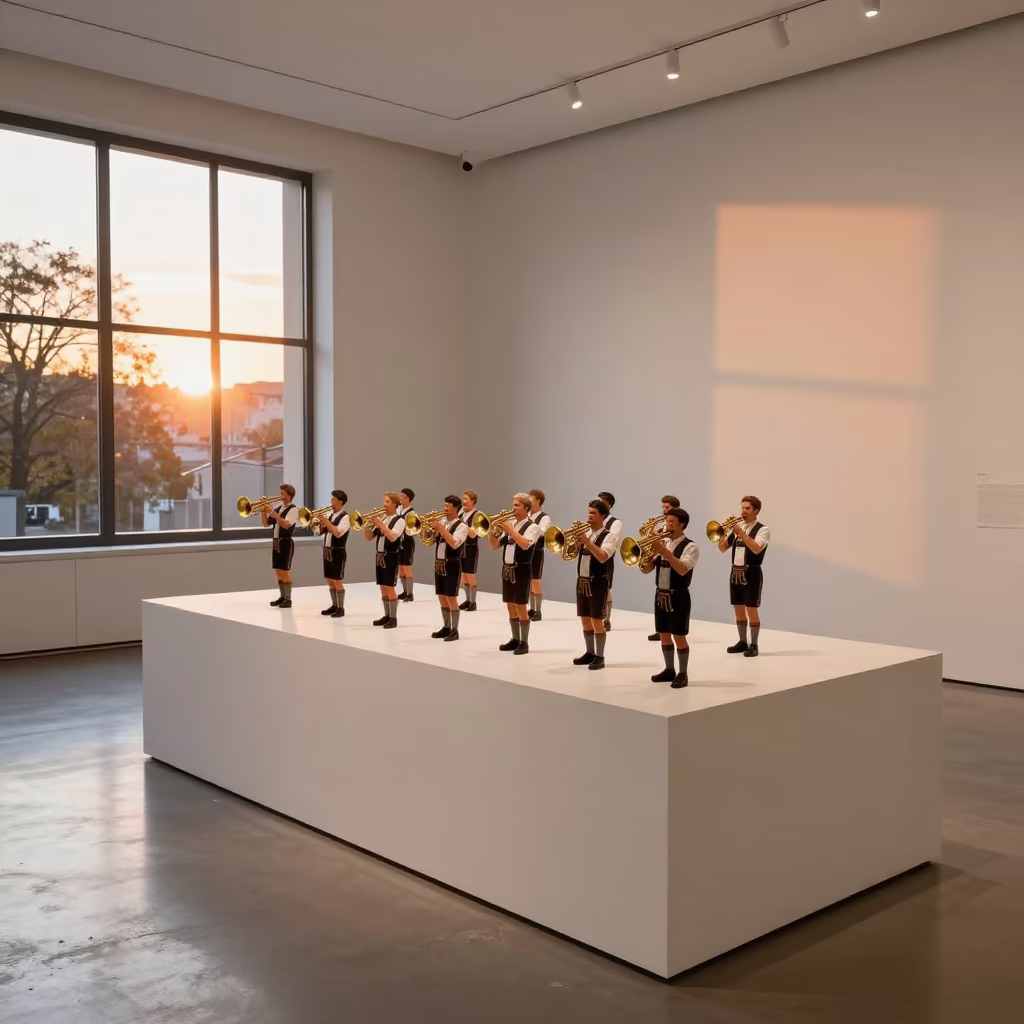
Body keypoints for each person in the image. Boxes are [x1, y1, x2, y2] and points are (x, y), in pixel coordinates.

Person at [641, 507, 698, 688]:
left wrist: (664, 552)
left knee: (678, 635)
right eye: (666, 521)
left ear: (682, 524)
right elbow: (647, 570)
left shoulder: (691, 546)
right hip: (661, 594)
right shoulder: (663, 543)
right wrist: (645, 558)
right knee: (664, 634)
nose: (667, 525)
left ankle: (683, 673)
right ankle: (669, 669)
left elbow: (682, 569)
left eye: (671, 522)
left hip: (678, 595)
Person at [489, 493, 542, 655]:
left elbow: (525, 544)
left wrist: (511, 531)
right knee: (510, 605)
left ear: (527, 508)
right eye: (513, 505)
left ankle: (524, 642)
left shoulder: (532, 527)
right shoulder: (511, 524)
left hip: (521, 569)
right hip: (507, 569)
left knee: (520, 605)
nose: (513, 508)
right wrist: (492, 531)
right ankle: (515, 638)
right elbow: (495, 546)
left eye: (517, 505)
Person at [718, 495, 770, 657]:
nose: (743, 511)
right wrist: (721, 534)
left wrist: (742, 534)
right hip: (735, 571)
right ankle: (742, 641)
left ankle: (754, 644)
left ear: (756, 511)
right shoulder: (738, 528)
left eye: (747, 508)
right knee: (738, 608)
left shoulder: (762, 530)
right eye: (742, 508)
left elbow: (756, 548)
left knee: (751, 608)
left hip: (751, 572)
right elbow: (722, 548)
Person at [572, 499, 620, 671]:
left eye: (593, 513)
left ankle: (600, 656)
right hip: (582, 580)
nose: (589, 516)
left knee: (596, 620)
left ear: (603, 516)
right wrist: (576, 544)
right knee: (585, 619)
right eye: (589, 512)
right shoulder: (587, 533)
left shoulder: (609, 536)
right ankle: (590, 652)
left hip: (598, 581)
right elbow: (571, 554)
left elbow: (602, 556)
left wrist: (587, 543)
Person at [430, 495, 470, 642]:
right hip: (439, 563)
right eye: (444, 505)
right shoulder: (442, 522)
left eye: (448, 507)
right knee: (441, 596)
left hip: (452, 563)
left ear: (456, 509)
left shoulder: (462, 526)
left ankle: (454, 630)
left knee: (451, 597)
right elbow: (430, 540)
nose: (445, 509)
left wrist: (440, 528)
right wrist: (432, 531)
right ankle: (446, 626)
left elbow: (454, 543)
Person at [364, 491, 406, 628]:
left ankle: (393, 618)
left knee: (390, 586)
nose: (384, 504)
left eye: (387, 502)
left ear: (394, 504)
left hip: (391, 556)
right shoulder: (383, 519)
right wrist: (366, 525)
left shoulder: (399, 520)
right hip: (380, 556)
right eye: (384, 501)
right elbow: (369, 538)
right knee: (382, 587)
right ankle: (386, 615)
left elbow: (392, 536)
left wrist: (380, 524)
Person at [649, 494, 681, 641]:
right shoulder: (663, 525)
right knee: (660, 590)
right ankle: (661, 629)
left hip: (672, 559)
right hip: (660, 559)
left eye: (667, 507)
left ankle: (671, 628)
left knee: (670, 593)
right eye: (663, 507)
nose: (664, 510)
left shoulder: (677, 524)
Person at [263, 484, 299, 608]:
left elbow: (285, 524)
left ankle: (288, 599)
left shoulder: (293, 509)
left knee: (285, 571)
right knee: (278, 570)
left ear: (289, 496)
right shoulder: (279, 508)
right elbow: (266, 524)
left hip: (285, 542)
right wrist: (264, 511)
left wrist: (272, 512)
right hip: (276, 541)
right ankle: (282, 597)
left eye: (283, 494)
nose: (280, 496)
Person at [317, 489, 350, 618]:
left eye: (333, 499)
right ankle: (334, 605)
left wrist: (326, 521)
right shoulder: (331, 515)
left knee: (336, 579)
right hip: (327, 550)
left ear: (340, 501)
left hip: (338, 551)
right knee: (330, 580)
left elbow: (337, 532)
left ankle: (340, 608)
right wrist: (319, 523)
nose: (331, 501)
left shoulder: (345, 517)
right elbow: (322, 532)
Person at [597, 491, 622, 629]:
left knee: (605, 587)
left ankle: (607, 618)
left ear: (609, 505)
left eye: (603, 502)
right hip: (593, 556)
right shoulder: (594, 519)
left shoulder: (615, 522)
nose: (600, 504)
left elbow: (613, 538)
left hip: (606, 556)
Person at [527, 488, 551, 621]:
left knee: (535, 579)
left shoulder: (544, 517)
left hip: (537, 550)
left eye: (531, 498)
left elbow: (541, 532)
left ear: (538, 501)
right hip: (526, 549)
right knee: (529, 580)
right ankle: (531, 608)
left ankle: (538, 610)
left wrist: (528, 527)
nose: (529, 500)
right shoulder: (528, 515)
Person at [458, 489, 481, 611]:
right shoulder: (462, 513)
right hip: (461, 547)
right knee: (464, 575)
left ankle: (473, 601)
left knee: (470, 574)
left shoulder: (477, 515)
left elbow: (473, 534)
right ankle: (467, 599)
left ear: (473, 501)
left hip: (471, 547)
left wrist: (461, 525)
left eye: (466, 499)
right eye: (463, 499)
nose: (463, 501)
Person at [396, 487, 417, 602]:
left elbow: (412, 528)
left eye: (404, 497)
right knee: (400, 568)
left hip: (407, 541)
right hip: (398, 541)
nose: (401, 498)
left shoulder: (412, 513)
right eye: (401, 496)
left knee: (407, 567)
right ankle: (404, 591)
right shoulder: (398, 509)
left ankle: (410, 593)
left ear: (409, 499)